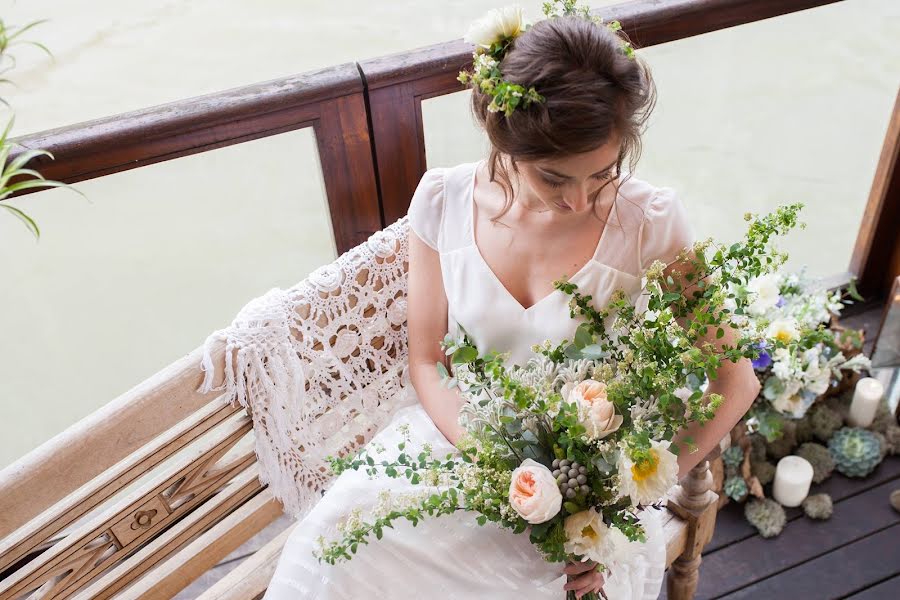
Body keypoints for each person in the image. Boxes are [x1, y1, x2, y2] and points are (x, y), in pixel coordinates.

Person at [264, 8, 759, 600]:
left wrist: (620, 498)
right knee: (333, 552)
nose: (579, 201)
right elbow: (426, 360)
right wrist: (496, 466)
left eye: (601, 174)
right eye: (554, 178)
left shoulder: (648, 222)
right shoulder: (443, 200)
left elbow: (735, 380)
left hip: (589, 486)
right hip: (457, 446)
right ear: (505, 141)